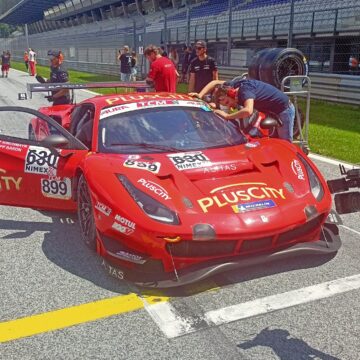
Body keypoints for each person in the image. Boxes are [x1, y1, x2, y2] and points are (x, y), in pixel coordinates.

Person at [190, 78, 295, 142]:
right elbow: (214, 82)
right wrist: (200, 95)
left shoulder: (245, 91)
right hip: (269, 109)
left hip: (283, 110)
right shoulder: (230, 86)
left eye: (227, 102)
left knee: (285, 142)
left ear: (231, 94)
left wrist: (227, 116)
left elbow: (248, 111)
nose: (229, 106)